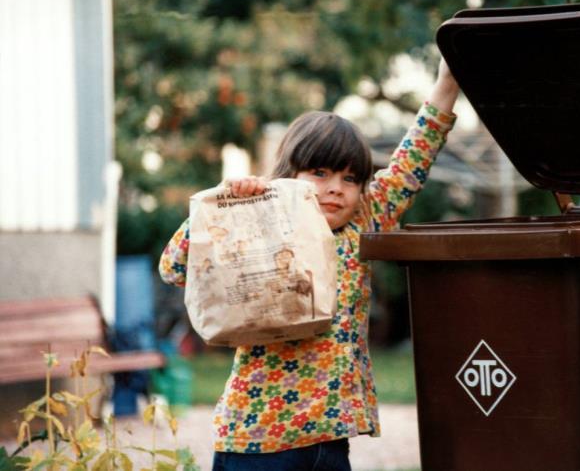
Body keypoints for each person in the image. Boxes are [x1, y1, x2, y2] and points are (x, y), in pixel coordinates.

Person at [159, 59, 459, 471]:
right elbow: (174, 267)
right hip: (255, 444)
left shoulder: (361, 224)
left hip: (329, 443)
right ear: (289, 174)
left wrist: (447, 81)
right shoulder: (258, 220)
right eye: (319, 173)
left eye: (351, 178)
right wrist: (225, 204)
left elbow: (413, 160)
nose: (336, 187)